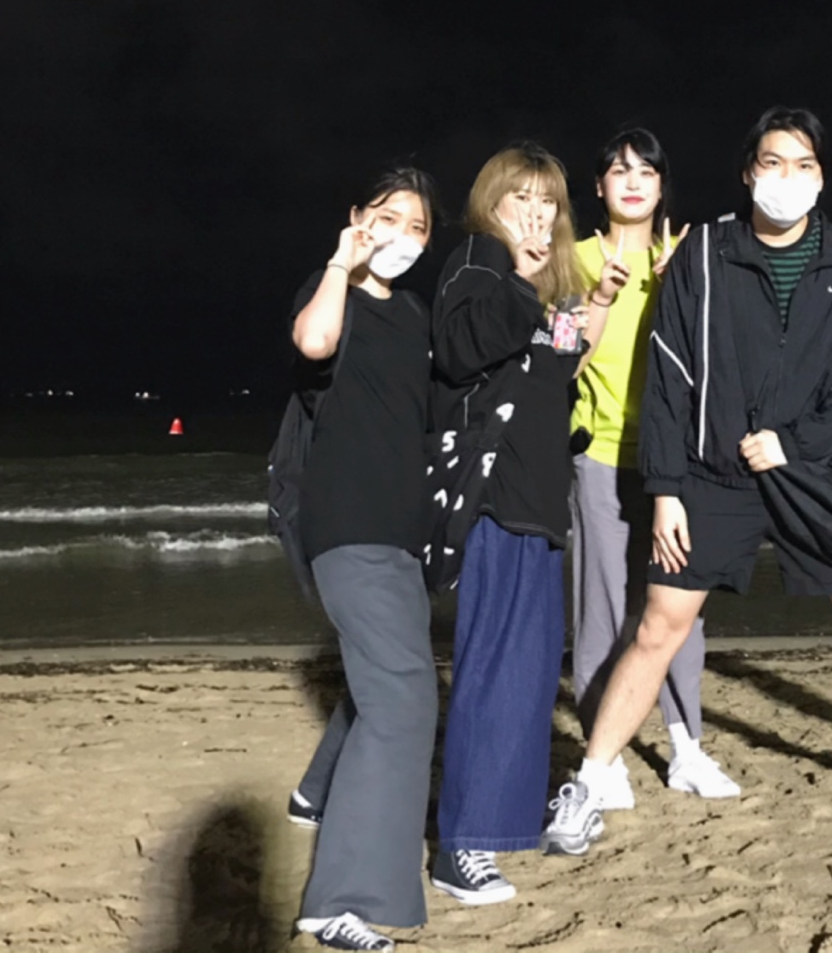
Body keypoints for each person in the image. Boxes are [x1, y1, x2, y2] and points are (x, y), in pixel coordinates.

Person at [540, 107, 832, 858]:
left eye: (804, 165)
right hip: (716, 475)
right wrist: (668, 489)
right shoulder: (702, 254)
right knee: (657, 627)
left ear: (822, 177)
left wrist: (794, 443)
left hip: (817, 474)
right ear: (749, 173)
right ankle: (587, 785)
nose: (788, 178)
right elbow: (672, 377)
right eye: (773, 163)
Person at [427, 142, 623, 906]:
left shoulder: (542, 285)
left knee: (531, 674)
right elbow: (460, 348)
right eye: (522, 199)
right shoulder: (479, 260)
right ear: (492, 204)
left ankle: (501, 817)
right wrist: (521, 275)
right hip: (496, 496)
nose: (537, 215)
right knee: (496, 669)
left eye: (549, 202)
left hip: (539, 500)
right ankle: (462, 845)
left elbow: (563, 368)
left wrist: (592, 299)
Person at [288, 168, 439, 953]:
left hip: (402, 535)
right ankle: (336, 902)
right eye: (388, 216)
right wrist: (340, 264)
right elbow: (313, 344)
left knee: (384, 681)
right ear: (357, 217)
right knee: (405, 702)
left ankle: (314, 795)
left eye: (418, 226)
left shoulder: (414, 314)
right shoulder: (333, 292)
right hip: (347, 527)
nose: (402, 236)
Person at [570, 128, 739, 807]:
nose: (633, 181)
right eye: (619, 171)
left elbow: (720, 363)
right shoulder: (574, 260)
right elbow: (562, 363)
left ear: (663, 185)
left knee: (678, 611)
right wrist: (601, 297)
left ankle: (686, 747)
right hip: (602, 455)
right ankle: (603, 756)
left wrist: (680, 292)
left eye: (646, 171)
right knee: (604, 611)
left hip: (679, 462)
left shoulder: (691, 259)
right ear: (599, 187)